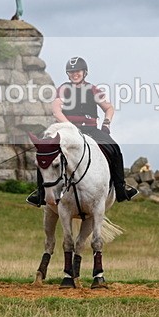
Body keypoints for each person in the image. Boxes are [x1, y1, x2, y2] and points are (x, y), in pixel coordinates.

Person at [26, 56, 138, 206]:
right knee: (45, 150)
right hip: (68, 128)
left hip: (90, 128)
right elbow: (56, 110)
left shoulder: (93, 89)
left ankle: (120, 188)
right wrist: (69, 126)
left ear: (84, 72)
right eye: (71, 72)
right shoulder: (64, 89)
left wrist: (106, 123)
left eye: (77, 71)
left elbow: (109, 108)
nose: (74, 74)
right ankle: (41, 193)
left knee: (114, 147)